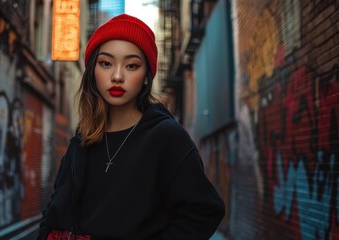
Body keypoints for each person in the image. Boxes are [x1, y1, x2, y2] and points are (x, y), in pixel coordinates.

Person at [37, 14, 225, 240]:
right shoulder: (81, 142)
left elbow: (205, 211)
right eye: (106, 63)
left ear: (146, 75)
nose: (117, 76)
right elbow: (52, 214)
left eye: (132, 65)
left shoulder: (165, 136)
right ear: (92, 72)